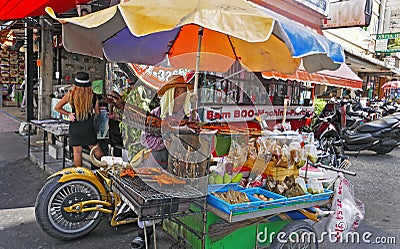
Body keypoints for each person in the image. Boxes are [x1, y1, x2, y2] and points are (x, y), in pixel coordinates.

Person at [130, 75, 196, 249]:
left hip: (179, 167)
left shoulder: (189, 116)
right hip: (157, 163)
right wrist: (163, 143)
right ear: (170, 94)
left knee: (175, 202)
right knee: (151, 202)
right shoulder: (157, 114)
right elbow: (145, 139)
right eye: (177, 92)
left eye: (183, 92)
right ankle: (142, 235)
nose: (180, 96)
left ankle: (177, 236)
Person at [55, 71, 103, 167]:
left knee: (77, 152)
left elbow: (57, 107)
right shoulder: (93, 96)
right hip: (88, 128)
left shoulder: (71, 94)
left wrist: (69, 114)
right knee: (97, 151)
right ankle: (106, 169)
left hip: (75, 127)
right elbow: (98, 113)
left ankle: (80, 176)